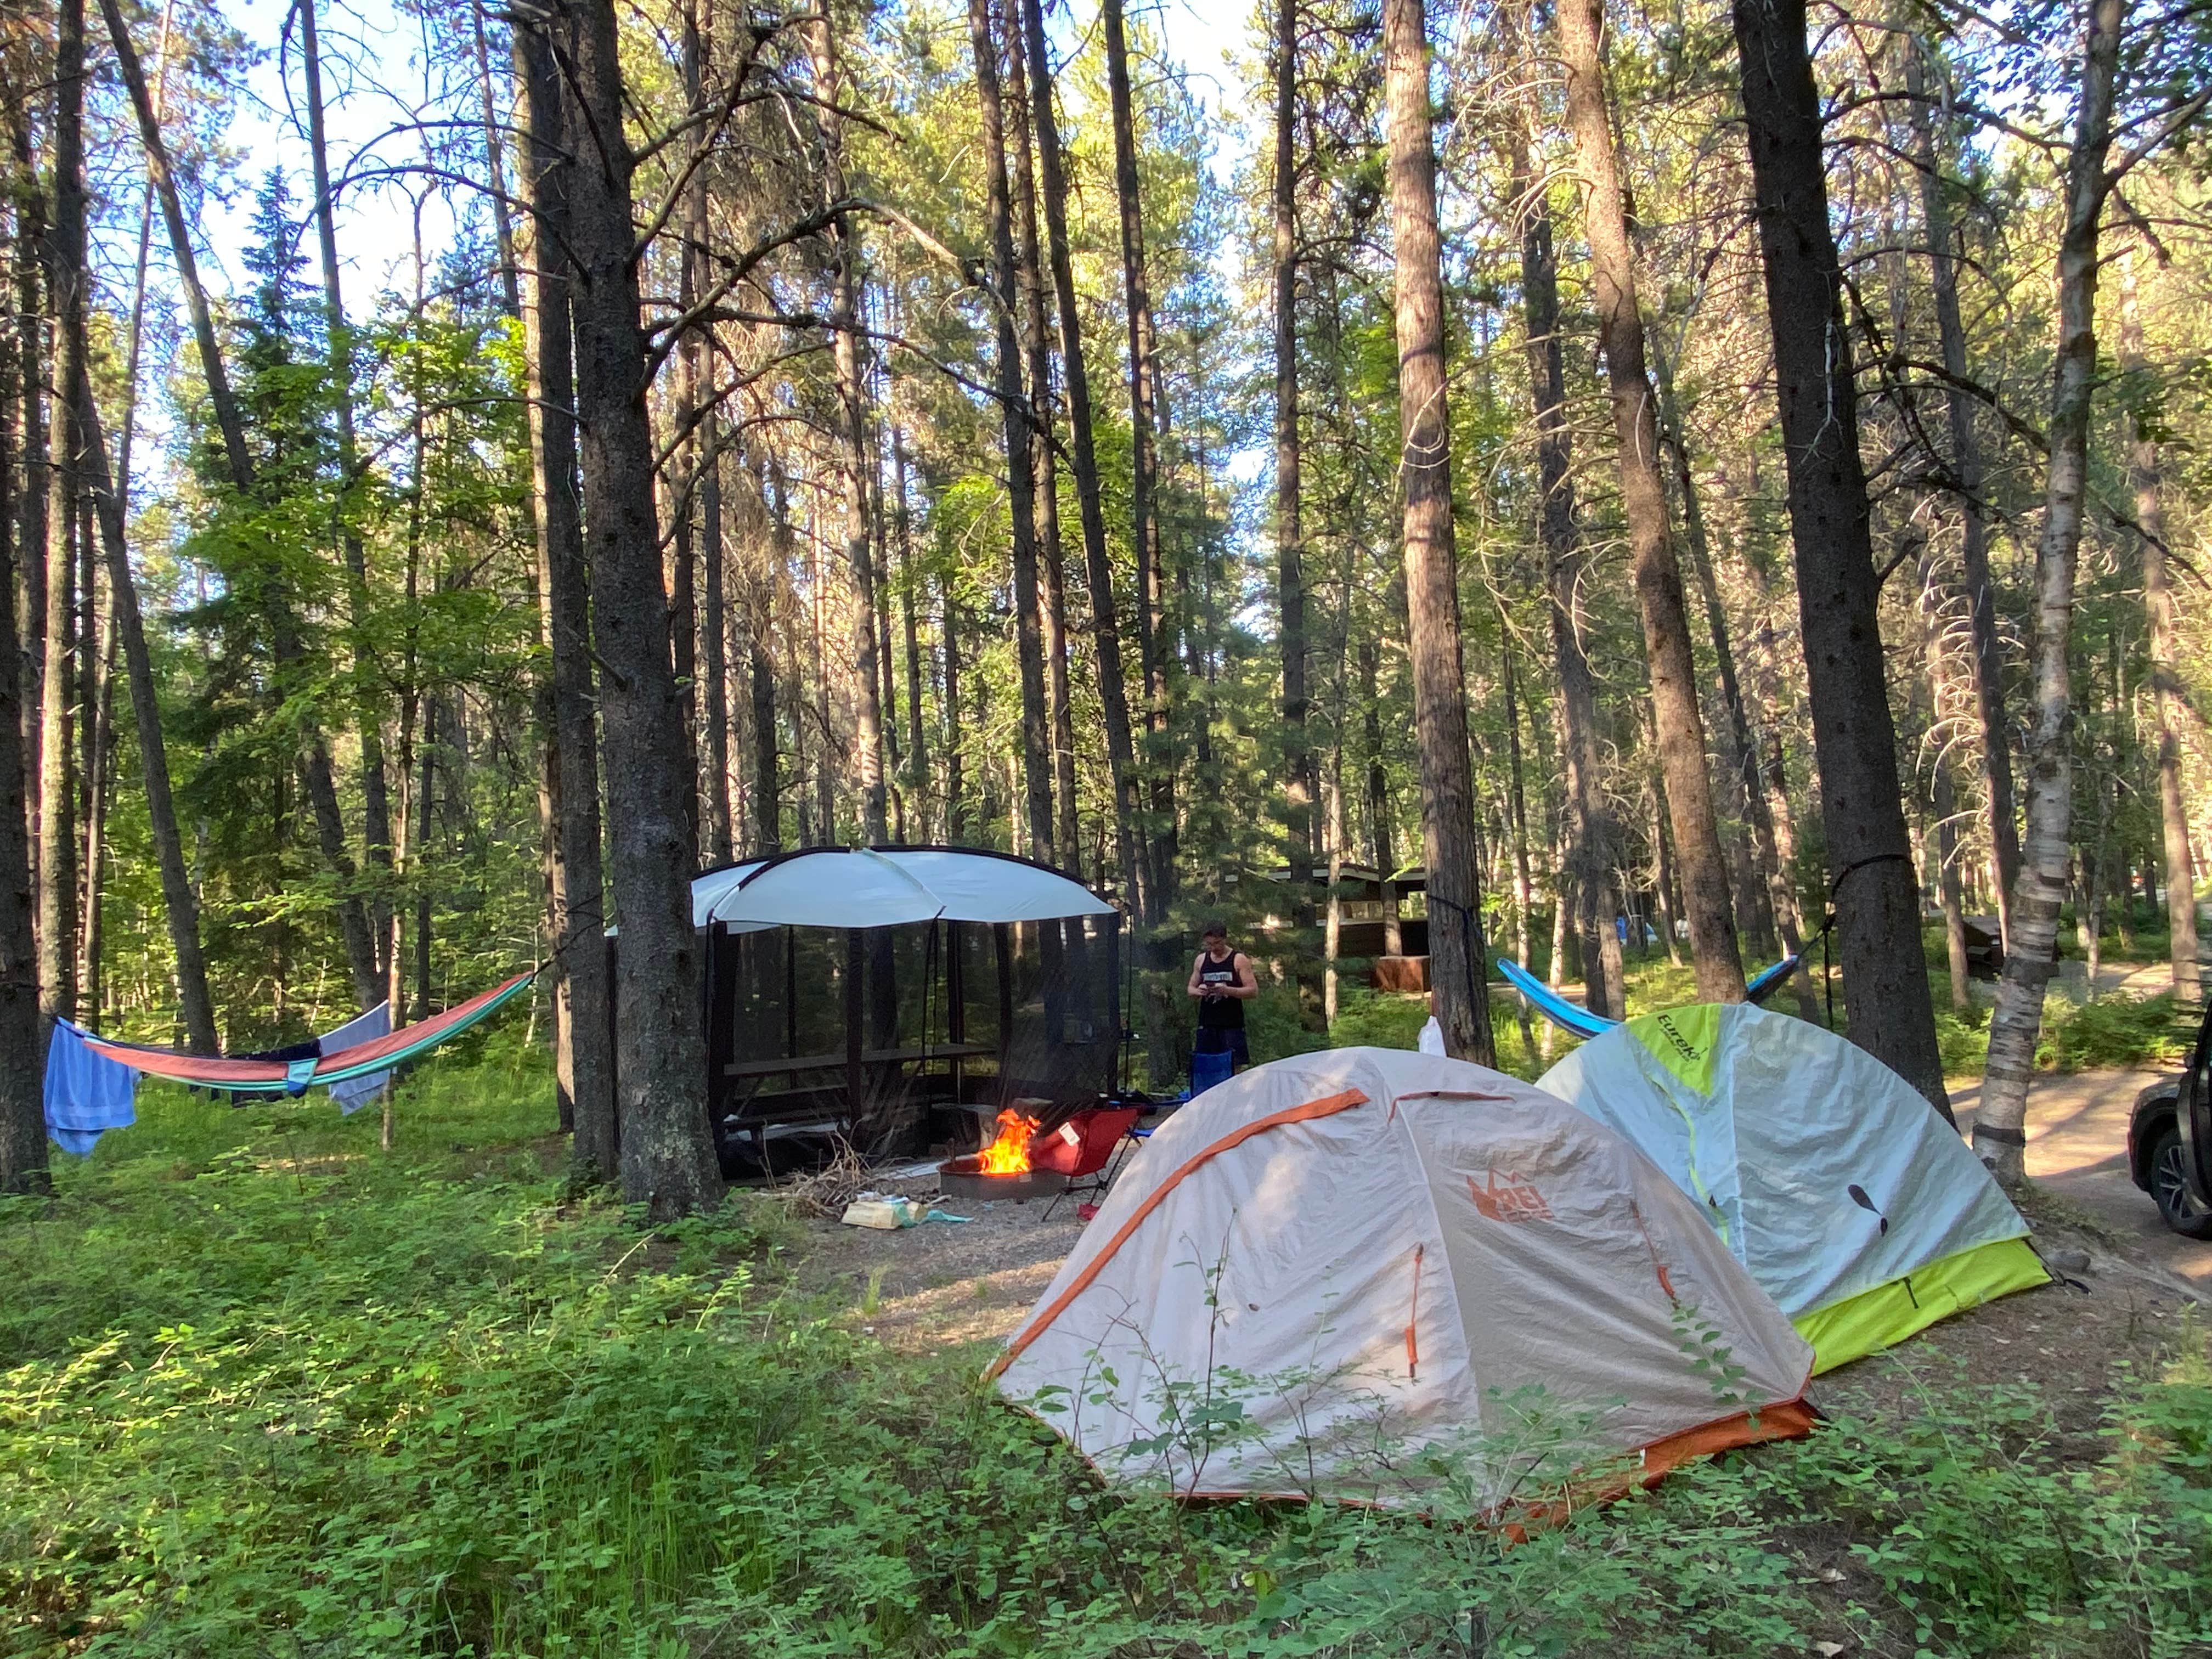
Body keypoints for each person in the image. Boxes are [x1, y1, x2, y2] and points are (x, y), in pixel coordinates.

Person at [1187, 921, 1257, 1072]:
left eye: (1217, 943)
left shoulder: (1238, 959)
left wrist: (1227, 991)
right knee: (1206, 1065)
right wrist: (1201, 991)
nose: (1214, 948)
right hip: (1208, 1023)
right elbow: (1190, 990)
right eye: (1209, 944)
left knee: (1234, 1066)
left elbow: (1252, 991)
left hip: (1231, 1024)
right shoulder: (1201, 960)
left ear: (1225, 939)